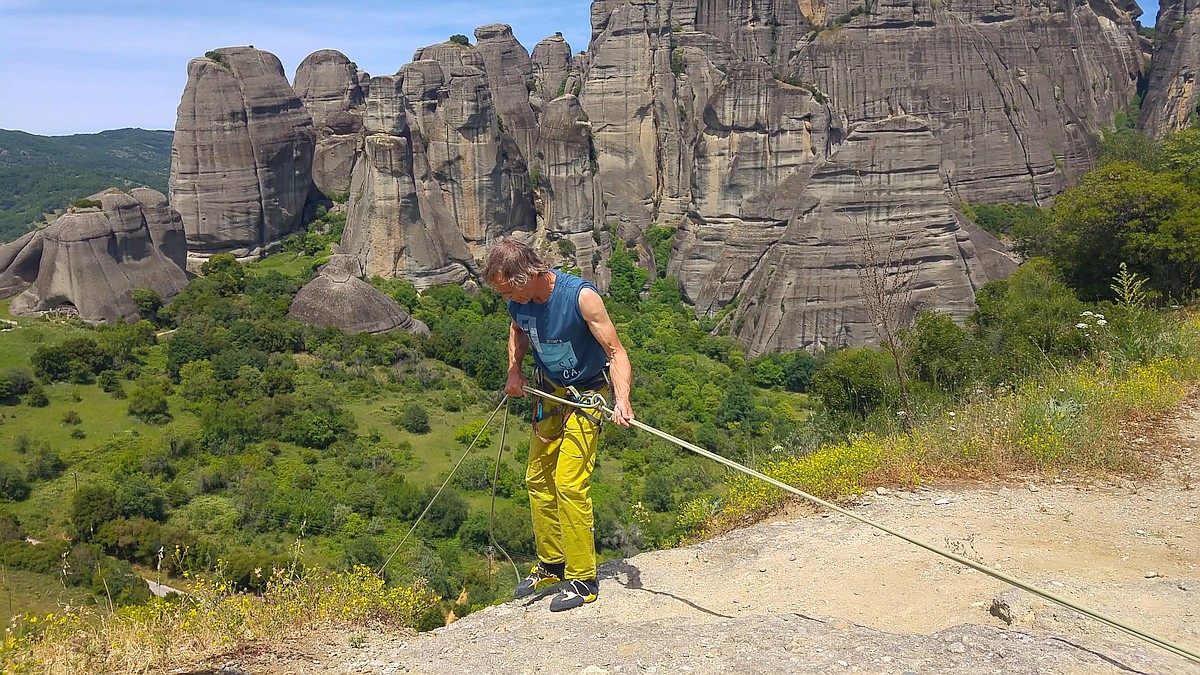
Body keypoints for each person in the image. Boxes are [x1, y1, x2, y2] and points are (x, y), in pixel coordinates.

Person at [482, 237, 634, 611]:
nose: (508, 300)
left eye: (510, 291)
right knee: (537, 477)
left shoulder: (580, 297)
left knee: (569, 481)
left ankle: (583, 579)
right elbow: (518, 330)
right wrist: (514, 369)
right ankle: (552, 563)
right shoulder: (517, 301)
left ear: (530, 275)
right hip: (549, 393)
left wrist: (623, 400)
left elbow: (616, 351)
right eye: (502, 294)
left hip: (587, 394)